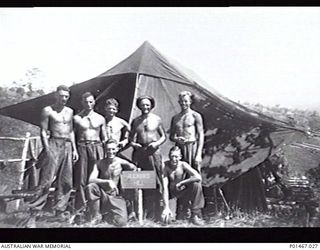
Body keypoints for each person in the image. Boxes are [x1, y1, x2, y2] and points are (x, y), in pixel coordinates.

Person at [27, 85, 79, 214]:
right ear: (56, 95)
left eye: (66, 96)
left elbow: (71, 131)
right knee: (46, 179)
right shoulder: (48, 110)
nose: (64, 99)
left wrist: (74, 149)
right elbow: (43, 131)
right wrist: (47, 149)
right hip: (53, 143)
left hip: (67, 145)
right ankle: (34, 213)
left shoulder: (70, 111)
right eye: (61, 96)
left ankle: (59, 211)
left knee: (66, 180)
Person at [84, 139, 137, 226]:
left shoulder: (121, 162)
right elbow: (90, 179)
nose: (110, 152)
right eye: (108, 149)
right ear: (105, 150)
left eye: (113, 149)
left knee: (121, 223)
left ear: (117, 149)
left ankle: (108, 215)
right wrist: (107, 182)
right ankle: (96, 216)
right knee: (91, 187)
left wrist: (132, 169)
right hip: (102, 195)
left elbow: (133, 168)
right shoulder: (99, 163)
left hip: (115, 196)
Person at [130, 96, 166, 220]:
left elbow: (163, 136)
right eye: (142, 105)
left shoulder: (157, 119)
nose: (145, 107)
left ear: (151, 105)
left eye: (147, 105)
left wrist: (156, 144)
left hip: (153, 151)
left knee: (156, 182)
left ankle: (157, 214)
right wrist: (135, 145)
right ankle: (143, 213)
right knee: (142, 181)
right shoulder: (136, 121)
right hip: (140, 152)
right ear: (139, 106)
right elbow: (131, 139)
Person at [73, 92, 107, 212]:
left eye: (90, 101)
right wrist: (74, 150)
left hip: (97, 147)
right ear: (82, 102)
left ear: (94, 102)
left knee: (98, 176)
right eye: (86, 102)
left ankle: (98, 209)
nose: (88, 104)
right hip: (82, 146)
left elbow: (105, 137)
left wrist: (106, 151)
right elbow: (72, 134)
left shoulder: (100, 118)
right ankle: (82, 208)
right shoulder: (76, 118)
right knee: (82, 178)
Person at [161, 146, 205, 225]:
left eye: (176, 157)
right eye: (172, 156)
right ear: (169, 156)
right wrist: (166, 207)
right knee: (169, 221)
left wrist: (182, 183)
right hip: (171, 194)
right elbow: (164, 187)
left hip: (182, 191)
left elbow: (198, 177)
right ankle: (178, 210)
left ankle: (195, 214)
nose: (174, 159)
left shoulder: (183, 165)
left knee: (196, 184)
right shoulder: (165, 166)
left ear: (180, 157)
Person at [170, 91, 204, 172]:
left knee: (194, 172)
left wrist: (198, 154)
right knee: (179, 172)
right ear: (179, 102)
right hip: (179, 148)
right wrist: (177, 139)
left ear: (190, 102)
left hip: (192, 147)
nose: (183, 103)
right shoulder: (175, 118)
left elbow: (201, 135)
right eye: (181, 101)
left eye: (185, 101)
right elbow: (171, 136)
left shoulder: (195, 115)